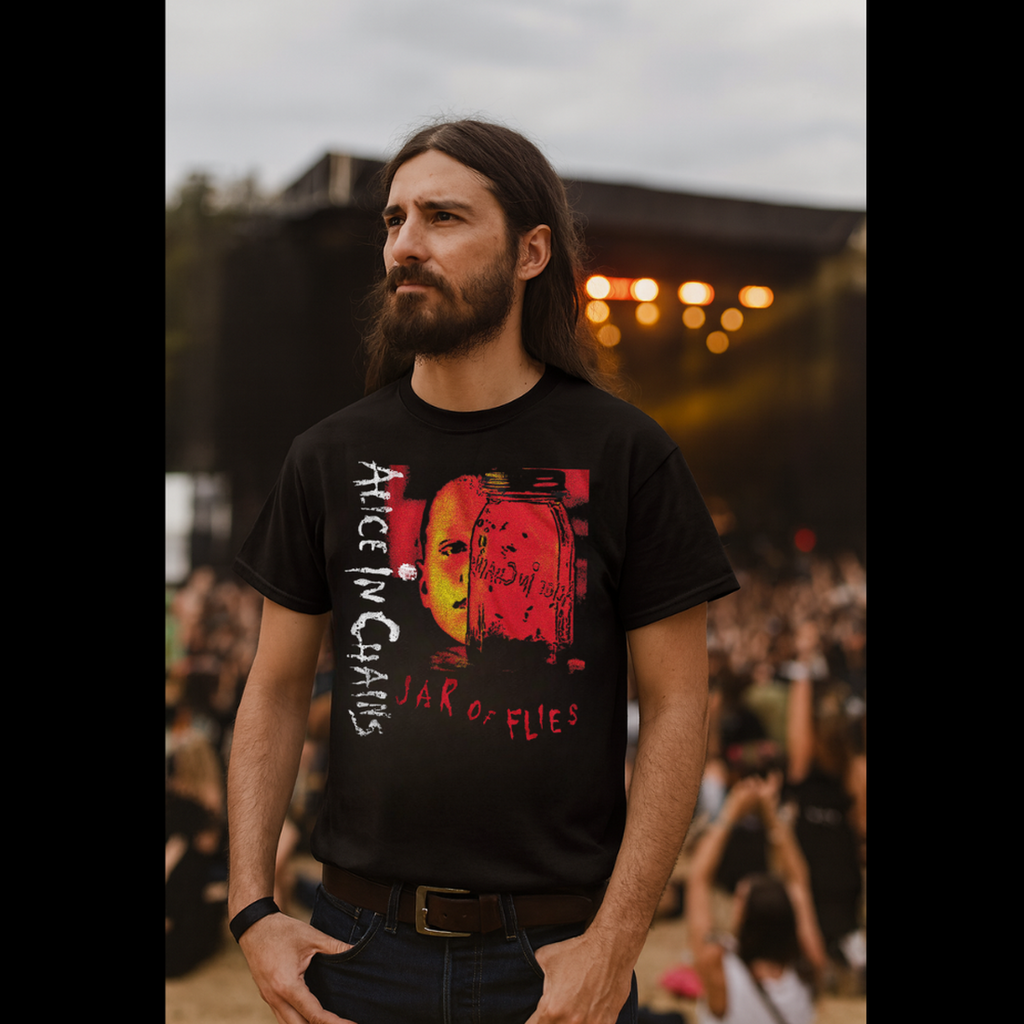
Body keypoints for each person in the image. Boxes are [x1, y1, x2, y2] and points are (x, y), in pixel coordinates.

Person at [227, 117, 739, 1024]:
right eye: (394, 220)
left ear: (532, 251)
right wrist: (252, 910)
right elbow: (271, 691)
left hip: (554, 958)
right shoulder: (328, 456)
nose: (407, 245)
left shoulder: (627, 455)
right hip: (358, 949)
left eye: (444, 217)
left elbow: (675, 709)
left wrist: (616, 945)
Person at [685, 775, 827, 1024]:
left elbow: (698, 879)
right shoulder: (808, 970)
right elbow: (798, 882)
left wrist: (728, 814)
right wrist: (772, 816)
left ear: (745, 918)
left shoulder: (720, 969)